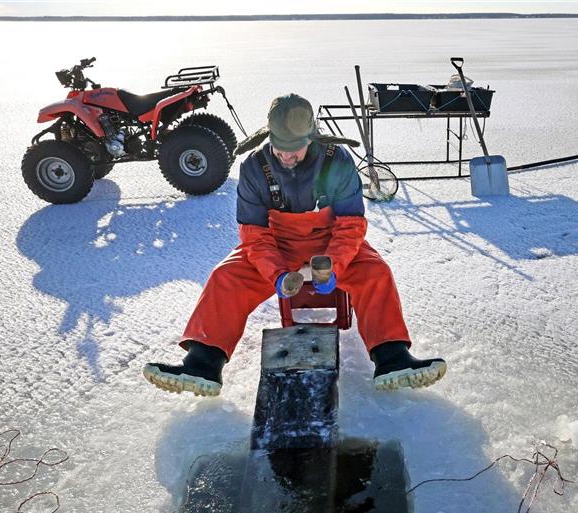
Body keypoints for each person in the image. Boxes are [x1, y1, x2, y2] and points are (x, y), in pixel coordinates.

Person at [143, 94, 446, 397]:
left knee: (376, 273)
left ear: (312, 138)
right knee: (226, 277)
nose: (287, 156)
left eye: (295, 149)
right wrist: (276, 273)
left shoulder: (336, 160)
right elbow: (254, 234)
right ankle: (203, 362)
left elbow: (351, 225)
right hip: (277, 246)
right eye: (280, 148)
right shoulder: (253, 167)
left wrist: (332, 266)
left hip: (331, 243)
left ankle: (392, 358)